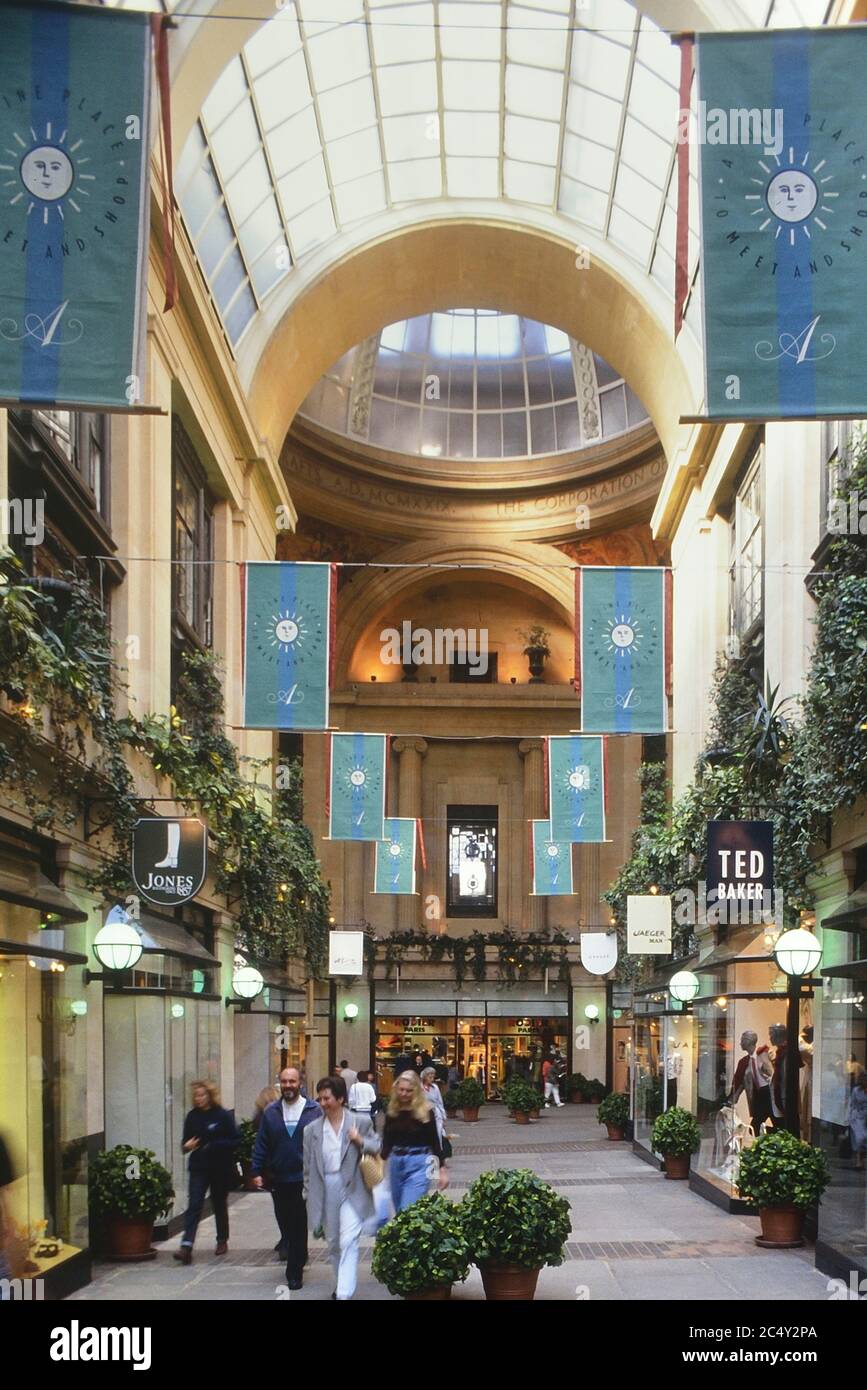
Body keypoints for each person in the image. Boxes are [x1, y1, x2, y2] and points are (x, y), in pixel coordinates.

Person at [303, 1075, 381, 1300]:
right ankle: (341, 1285)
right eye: (320, 1099)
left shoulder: (360, 1122)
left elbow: (377, 1146)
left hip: (353, 1186)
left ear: (340, 1099)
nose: (323, 1103)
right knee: (334, 1242)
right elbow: (307, 1167)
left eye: (327, 1098)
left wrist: (359, 1141)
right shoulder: (312, 1130)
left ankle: (344, 1294)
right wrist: (307, 1194)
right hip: (325, 1187)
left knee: (348, 1239)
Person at [251, 1066, 321, 1291]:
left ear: (300, 1082)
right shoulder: (271, 1112)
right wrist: (256, 1171)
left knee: (298, 1222)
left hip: (304, 1177)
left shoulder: (313, 1110)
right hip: (279, 1177)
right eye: (284, 1082)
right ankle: (299, 1256)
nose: (288, 1086)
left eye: (292, 1081)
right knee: (285, 1222)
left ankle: (294, 1271)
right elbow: (262, 1143)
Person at [173, 1080, 239, 1265]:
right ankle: (186, 1245)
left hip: (219, 1167)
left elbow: (235, 1140)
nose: (199, 1099)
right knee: (194, 1204)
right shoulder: (192, 1117)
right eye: (196, 1096)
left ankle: (222, 1239)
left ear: (210, 1096)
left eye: (202, 1095)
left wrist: (214, 1145)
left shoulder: (222, 1115)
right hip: (199, 1167)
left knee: (219, 1203)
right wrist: (187, 1147)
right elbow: (185, 1144)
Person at [382, 1070, 448, 1212]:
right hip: (396, 1162)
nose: (404, 1093)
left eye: (409, 1090)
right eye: (401, 1090)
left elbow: (434, 1142)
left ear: (416, 1091)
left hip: (421, 1161)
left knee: (408, 1210)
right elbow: (387, 1141)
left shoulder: (425, 1111)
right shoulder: (392, 1111)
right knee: (399, 1209)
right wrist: (379, 1163)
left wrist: (441, 1170)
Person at [730, 1029, 773, 1131]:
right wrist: (733, 1098)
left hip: (769, 1093)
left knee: (777, 1124)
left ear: (748, 1041)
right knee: (754, 1127)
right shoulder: (745, 1062)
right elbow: (741, 1082)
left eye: (742, 1040)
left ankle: (772, 1139)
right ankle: (767, 1140)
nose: (740, 1043)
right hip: (758, 1095)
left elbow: (773, 1072)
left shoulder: (765, 1054)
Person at [848, 1070, 867, 1171]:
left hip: (866, 1117)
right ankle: (858, 1161)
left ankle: (862, 1160)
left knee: (865, 1140)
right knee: (859, 1139)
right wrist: (849, 1117)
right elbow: (852, 1104)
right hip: (857, 1117)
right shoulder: (856, 1090)